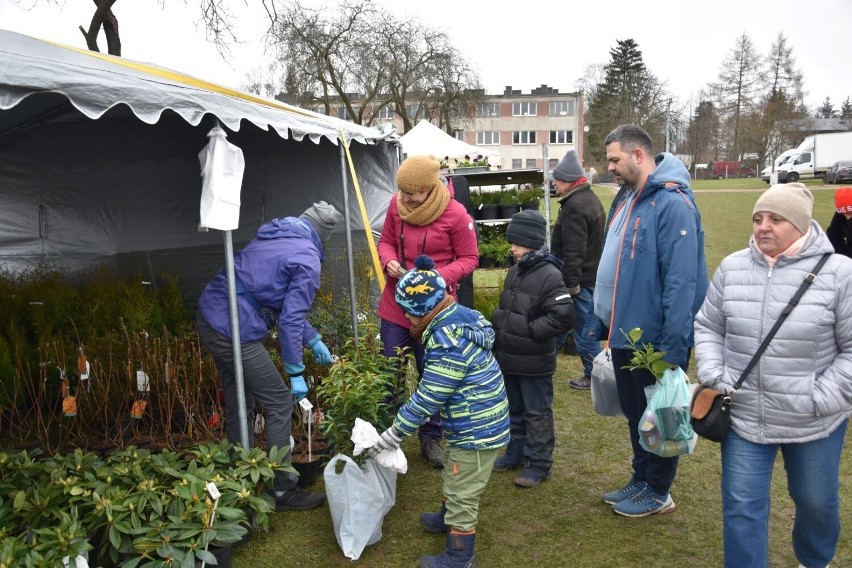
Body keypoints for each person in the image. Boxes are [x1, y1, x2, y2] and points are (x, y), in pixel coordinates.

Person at [694, 183, 852, 568]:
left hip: (813, 420)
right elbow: (709, 326)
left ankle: (815, 560)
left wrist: (820, 398)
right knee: (741, 505)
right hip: (745, 417)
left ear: (801, 225)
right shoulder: (732, 267)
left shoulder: (840, 274)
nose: (763, 227)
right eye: (758, 218)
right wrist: (714, 373)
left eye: (776, 219)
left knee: (816, 502)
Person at [196, 201, 343, 512]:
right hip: (232, 326)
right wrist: (295, 371)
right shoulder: (307, 259)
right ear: (323, 236)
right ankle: (282, 489)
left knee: (239, 397)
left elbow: (275, 298)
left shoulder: (274, 234)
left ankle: (241, 474)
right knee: (278, 400)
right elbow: (289, 319)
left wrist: (313, 337)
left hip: (212, 312)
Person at [594, 124, 708, 517]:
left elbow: (681, 279)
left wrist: (674, 344)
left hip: (654, 339)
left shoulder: (672, 204)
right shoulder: (631, 200)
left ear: (638, 155)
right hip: (626, 331)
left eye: (614, 159)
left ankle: (659, 491)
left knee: (658, 414)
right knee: (634, 412)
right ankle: (641, 478)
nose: (609, 166)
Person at [369, 254, 509, 568]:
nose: (406, 320)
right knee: (452, 468)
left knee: (462, 491)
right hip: (471, 422)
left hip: (476, 429)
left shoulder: (447, 342)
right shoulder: (456, 319)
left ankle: (459, 556)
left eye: (408, 313)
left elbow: (427, 397)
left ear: (423, 310)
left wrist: (392, 436)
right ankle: (447, 517)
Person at [377, 155, 479, 468]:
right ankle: (385, 432)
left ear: (428, 188)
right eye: (402, 193)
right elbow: (386, 242)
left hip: (436, 310)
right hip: (396, 304)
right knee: (390, 369)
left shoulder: (456, 214)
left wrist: (437, 278)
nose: (404, 198)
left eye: (411, 193)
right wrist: (389, 260)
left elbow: (469, 258)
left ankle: (431, 435)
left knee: (432, 373)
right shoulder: (397, 206)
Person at [490, 209, 574, 487]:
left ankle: (539, 463)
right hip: (510, 358)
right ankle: (516, 451)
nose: (512, 248)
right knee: (513, 407)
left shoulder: (550, 275)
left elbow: (562, 315)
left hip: (534, 362)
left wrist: (530, 331)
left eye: (518, 243)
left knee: (536, 412)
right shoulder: (515, 271)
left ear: (533, 242)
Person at [550, 149, 606, 390]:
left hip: (580, 281)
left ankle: (595, 376)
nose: (554, 182)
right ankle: (542, 365)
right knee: (563, 327)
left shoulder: (575, 206)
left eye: (557, 179)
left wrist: (570, 286)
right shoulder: (588, 198)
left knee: (585, 333)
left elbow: (575, 251)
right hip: (589, 277)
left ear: (569, 181)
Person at [826, 186, 852, 258]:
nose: (847, 217)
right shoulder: (840, 214)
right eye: (844, 213)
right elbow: (834, 236)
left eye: (850, 213)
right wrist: (843, 257)